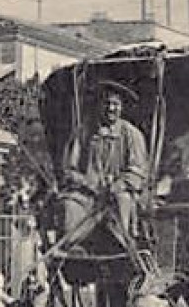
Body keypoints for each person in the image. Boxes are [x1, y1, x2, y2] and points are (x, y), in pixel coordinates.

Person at [59, 80, 149, 245]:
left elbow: (137, 170)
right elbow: (69, 168)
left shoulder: (132, 135)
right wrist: (88, 183)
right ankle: (71, 249)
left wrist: (117, 185)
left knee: (122, 201)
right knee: (69, 203)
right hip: (88, 194)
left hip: (118, 192)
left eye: (116, 104)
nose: (111, 108)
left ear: (122, 107)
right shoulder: (83, 132)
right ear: (99, 105)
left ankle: (122, 248)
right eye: (106, 103)